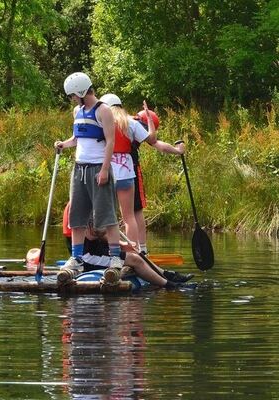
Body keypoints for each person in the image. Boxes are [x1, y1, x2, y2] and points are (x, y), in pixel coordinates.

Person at [54, 72, 122, 279]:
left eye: (73, 95)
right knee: (77, 214)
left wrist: (104, 169)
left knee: (107, 214)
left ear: (82, 91)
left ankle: (115, 257)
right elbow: (77, 138)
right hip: (79, 168)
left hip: (97, 169)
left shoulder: (104, 111)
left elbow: (110, 142)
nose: (72, 99)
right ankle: (77, 258)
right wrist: (63, 145)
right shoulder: (78, 111)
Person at [100, 93, 185, 253]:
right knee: (131, 215)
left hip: (107, 174)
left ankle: (112, 251)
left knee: (107, 216)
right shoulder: (131, 123)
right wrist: (150, 120)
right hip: (128, 174)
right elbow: (154, 141)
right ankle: (137, 251)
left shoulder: (101, 123)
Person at [58, 219, 194, 288]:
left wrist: (122, 245)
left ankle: (167, 274)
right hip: (87, 256)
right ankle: (169, 285)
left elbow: (100, 235)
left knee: (137, 255)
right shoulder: (79, 207)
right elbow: (93, 233)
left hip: (96, 248)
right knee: (135, 260)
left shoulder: (92, 201)